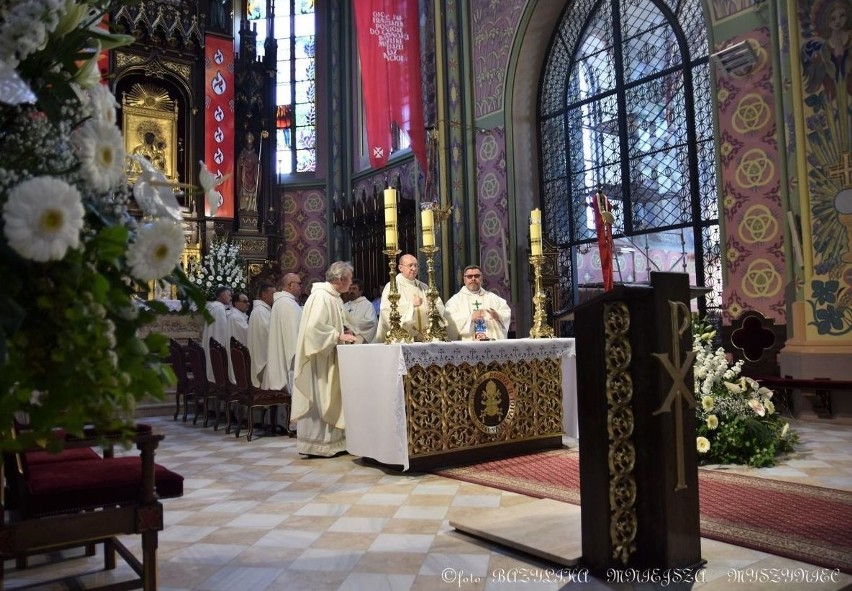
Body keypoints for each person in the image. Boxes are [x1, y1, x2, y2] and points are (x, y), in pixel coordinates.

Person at [291, 261, 357, 457]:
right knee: (322, 396)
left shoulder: (333, 297)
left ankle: (334, 443)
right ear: (340, 279)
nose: (351, 283)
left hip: (330, 355)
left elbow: (328, 324)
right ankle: (318, 445)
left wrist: (343, 330)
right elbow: (314, 329)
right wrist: (337, 336)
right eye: (350, 279)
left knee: (332, 395)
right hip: (321, 358)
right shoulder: (321, 296)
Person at [374, 254, 445, 342]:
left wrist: (432, 307)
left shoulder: (424, 287)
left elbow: (439, 306)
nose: (414, 268)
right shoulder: (392, 286)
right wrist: (411, 305)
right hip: (403, 339)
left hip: (426, 337)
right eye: (410, 265)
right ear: (400, 268)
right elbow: (386, 310)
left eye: (416, 265)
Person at [444, 265, 512, 341]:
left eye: (476, 276)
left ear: (481, 279)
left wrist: (498, 316)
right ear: (464, 280)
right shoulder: (455, 300)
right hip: (467, 346)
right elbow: (449, 319)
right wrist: (470, 317)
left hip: (491, 345)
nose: (473, 279)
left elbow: (506, 312)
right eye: (469, 276)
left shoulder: (493, 298)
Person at [265, 273, 302, 394]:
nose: (301, 286)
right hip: (288, 367)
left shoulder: (284, 302)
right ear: (290, 285)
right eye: (299, 284)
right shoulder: (286, 304)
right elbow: (292, 338)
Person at [247, 281, 276, 388]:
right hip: (262, 356)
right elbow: (268, 333)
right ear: (264, 294)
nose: (275, 296)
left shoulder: (262, 310)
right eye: (272, 293)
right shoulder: (260, 311)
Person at [201, 286, 232, 382]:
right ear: (222, 295)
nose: (231, 298)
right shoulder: (219, 309)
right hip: (217, 345)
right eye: (229, 295)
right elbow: (222, 330)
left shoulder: (213, 307)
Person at [344, 278, 378, 343]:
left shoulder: (367, 305)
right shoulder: (344, 306)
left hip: (359, 340)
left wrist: (352, 329)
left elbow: (370, 322)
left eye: (354, 289)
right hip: (345, 339)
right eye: (350, 289)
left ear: (361, 291)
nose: (351, 291)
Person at [237, 131, 260, 213]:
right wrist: (241, 163)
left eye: (250, 144)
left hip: (252, 180)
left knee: (253, 194)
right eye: (248, 144)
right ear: (246, 144)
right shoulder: (242, 154)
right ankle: (243, 207)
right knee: (243, 193)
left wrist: (257, 166)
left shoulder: (255, 156)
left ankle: (252, 208)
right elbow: (239, 165)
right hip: (244, 179)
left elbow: (258, 168)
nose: (249, 146)